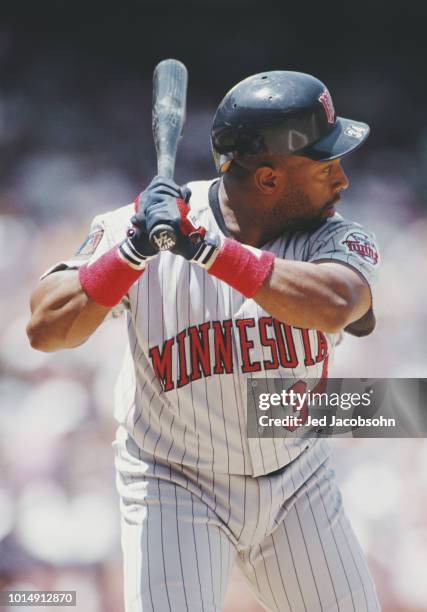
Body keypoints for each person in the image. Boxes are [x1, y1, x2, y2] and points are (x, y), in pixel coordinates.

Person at [27, 70, 381, 612]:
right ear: (267, 178)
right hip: (174, 479)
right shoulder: (141, 226)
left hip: (296, 478)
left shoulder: (336, 236)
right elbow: (46, 329)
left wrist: (204, 249)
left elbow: (337, 303)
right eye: (325, 164)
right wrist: (129, 254)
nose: (342, 180)